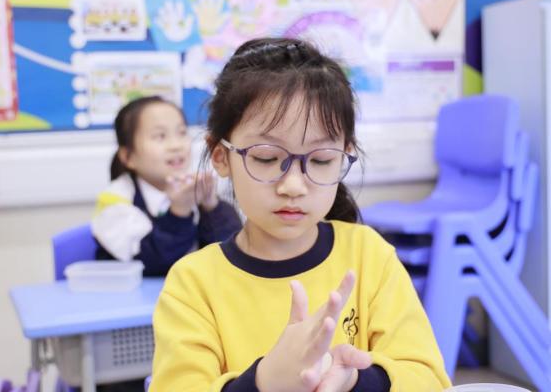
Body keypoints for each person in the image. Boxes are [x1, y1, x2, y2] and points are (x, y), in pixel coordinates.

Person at [148, 38, 452, 392]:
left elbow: (428, 378)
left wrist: (355, 380)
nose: (293, 185)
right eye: (266, 157)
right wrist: (263, 383)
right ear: (220, 156)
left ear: (343, 154)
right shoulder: (193, 283)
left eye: (321, 160)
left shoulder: (369, 256)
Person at [92, 96, 242, 277]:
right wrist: (179, 212)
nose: (176, 145)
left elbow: (233, 255)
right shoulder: (114, 200)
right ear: (128, 157)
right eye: (160, 136)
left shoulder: (195, 187)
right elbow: (153, 264)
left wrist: (212, 207)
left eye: (181, 133)